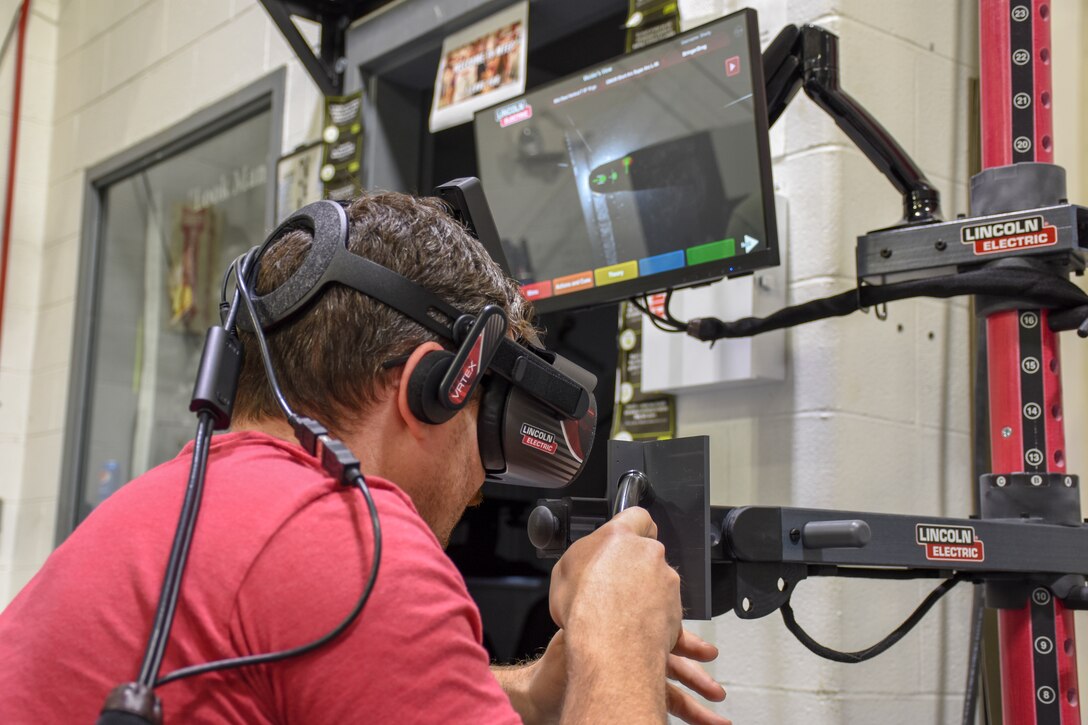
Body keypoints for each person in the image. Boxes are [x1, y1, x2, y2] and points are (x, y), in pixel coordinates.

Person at [0, 191, 730, 723]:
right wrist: (617, 646)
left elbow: (321, 680)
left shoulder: (159, 506)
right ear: (431, 388)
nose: (478, 488)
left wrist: (536, 690)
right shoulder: (351, 540)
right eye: (482, 433)